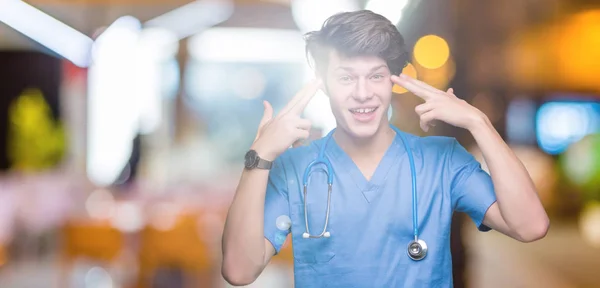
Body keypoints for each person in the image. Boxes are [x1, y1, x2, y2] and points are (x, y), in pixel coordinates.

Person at [221, 10, 549, 287]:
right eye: (346, 78)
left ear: (392, 81)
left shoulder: (442, 160)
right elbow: (239, 271)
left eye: (376, 76)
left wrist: (479, 123)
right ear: (323, 85)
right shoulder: (295, 169)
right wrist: (258, 158)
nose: (363, 94)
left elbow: (530, 226)